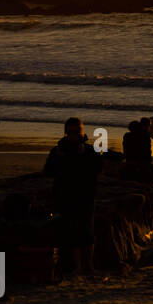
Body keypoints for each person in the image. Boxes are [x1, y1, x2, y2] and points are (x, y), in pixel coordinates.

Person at [43, 117, 103, 275]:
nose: (73, 135)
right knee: (72, 232)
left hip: (85, 195)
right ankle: (76, 266)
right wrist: (61, 158)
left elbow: (98, 168)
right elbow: (48, 171)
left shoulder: (90, 150)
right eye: (70, 132)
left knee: (88, 231)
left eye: (76, 132)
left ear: (82, 132)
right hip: (65, 195)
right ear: (65, 133)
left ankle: (88, 266)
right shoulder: (58, 150)